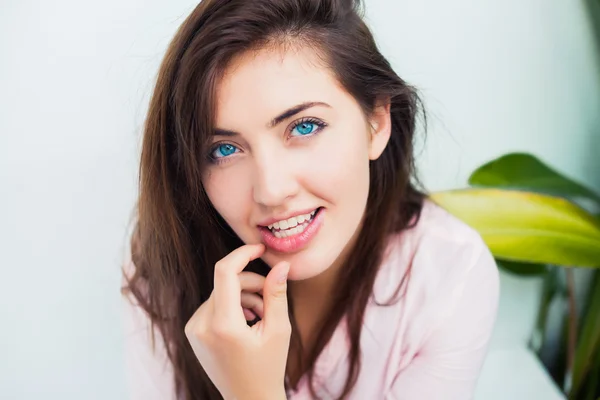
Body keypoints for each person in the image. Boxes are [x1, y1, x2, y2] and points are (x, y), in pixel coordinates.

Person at [121, 0, 500, 399]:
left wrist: (252, 393)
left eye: (304, 126)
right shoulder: (165, 267)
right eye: (224, 150)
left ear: (377, 122)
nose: (270, 190)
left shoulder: (448, 275)